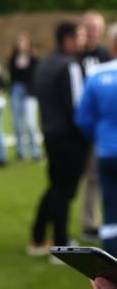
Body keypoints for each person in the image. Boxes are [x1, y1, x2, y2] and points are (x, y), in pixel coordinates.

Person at [28, 22, 90, 262]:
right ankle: (61, 245)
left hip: (50, 133)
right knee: (64, 191)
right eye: (80, 36)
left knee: (55, 187)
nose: (84, 41)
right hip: (69, 137)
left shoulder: (46, 63)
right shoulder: (70, 64)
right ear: (68, 39)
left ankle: (37, 238)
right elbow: (77, 107)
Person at [76, 22, 117, 256]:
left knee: (110, 210)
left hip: (107, 150)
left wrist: (99, 137)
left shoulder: (97, 75)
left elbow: (83, 118)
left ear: (112, 46)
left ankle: (112, 261)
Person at [79, 11, 110, 242]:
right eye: (89, 27)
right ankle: (89, 222)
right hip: (82, 123)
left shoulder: (104, 55)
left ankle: (96, 221)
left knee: (97, 176)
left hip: (102, 126)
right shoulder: (75, 55)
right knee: (86, 177)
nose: (93, 32)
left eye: (96, 28)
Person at [7, 33, 41, 161]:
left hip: (29, 93)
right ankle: (20, 151)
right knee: (17, 123)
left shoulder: (34, 59)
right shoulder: (13, 59)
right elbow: (12, 75)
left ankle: (35, 151)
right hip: (16, 91)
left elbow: (35, 75)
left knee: (30, 123)